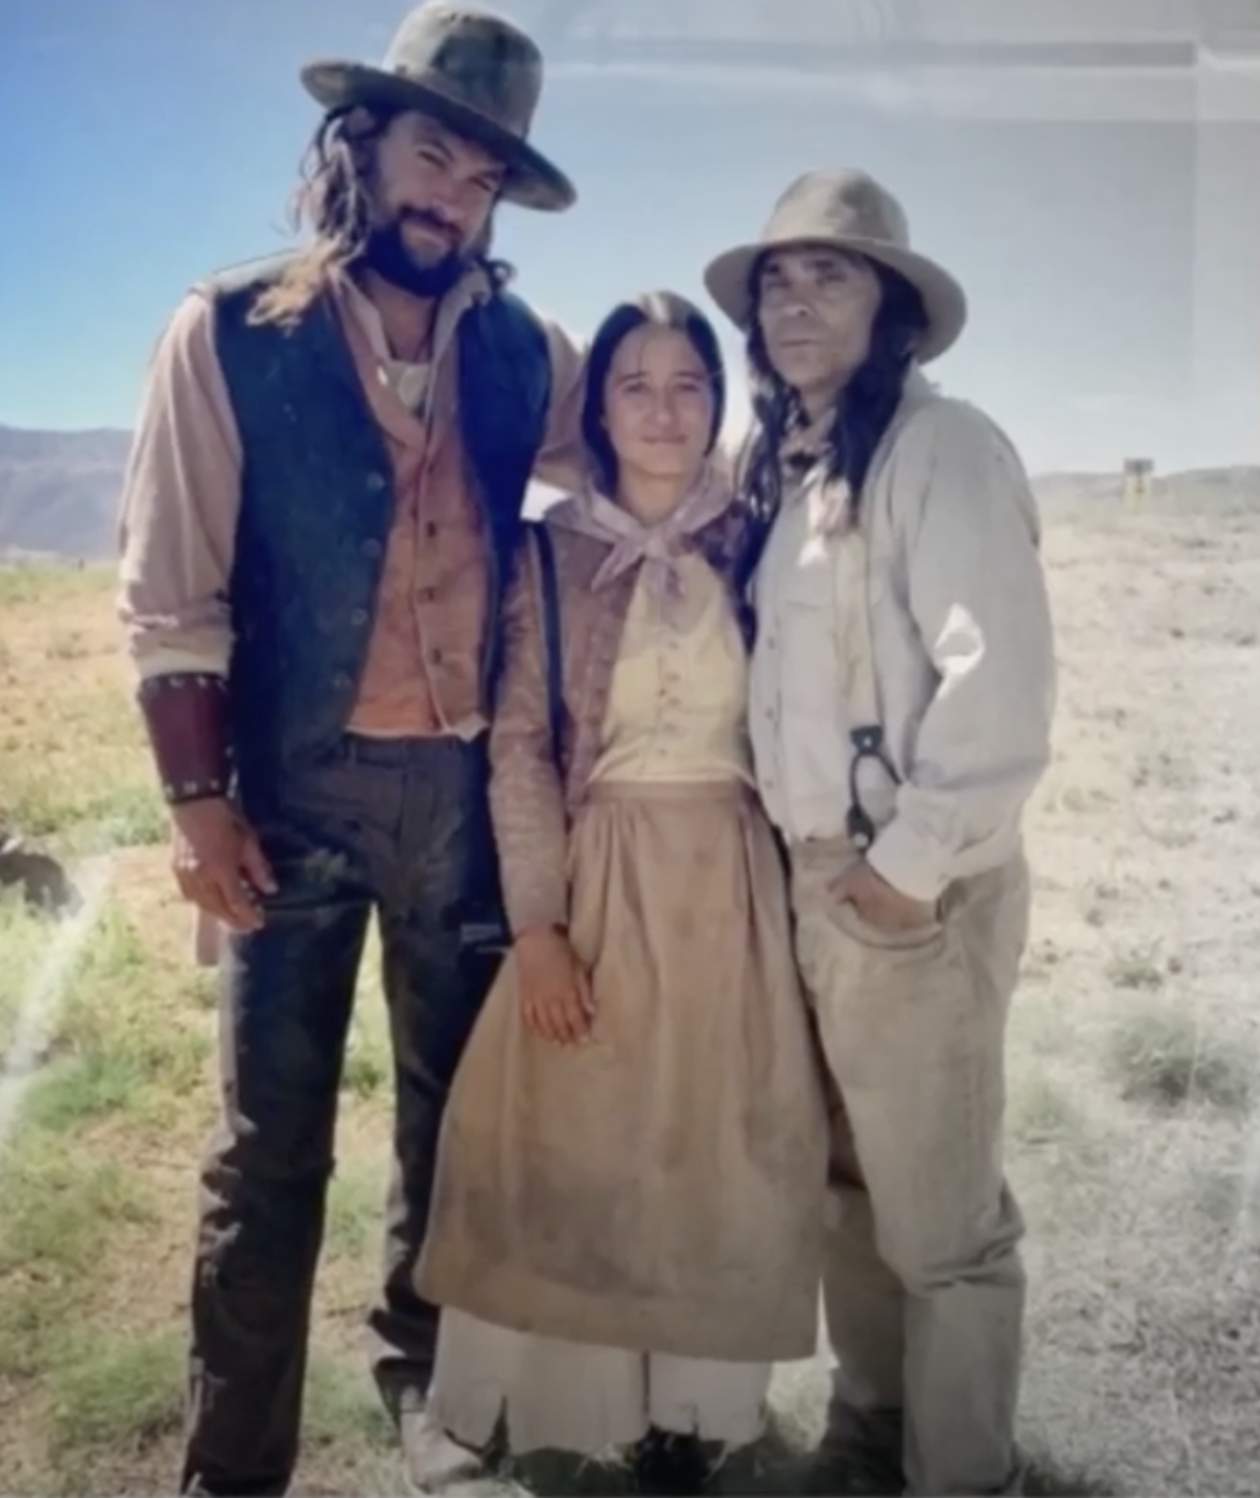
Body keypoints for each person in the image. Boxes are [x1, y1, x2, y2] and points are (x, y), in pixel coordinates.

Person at [115, 5, 587, 1493]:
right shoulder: (228, 331)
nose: (453, 197)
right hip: (289, 796)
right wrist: (196, 802)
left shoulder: (527, 353)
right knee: (267, 1149)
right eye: (433, 155)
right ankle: (232, 1462)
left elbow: (642, 460)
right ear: (362, 144)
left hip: (463, 800)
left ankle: (427, 1385)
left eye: (484, 178)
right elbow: (169, 589)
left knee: (458, 1124)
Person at [409, 291, 830, 1492]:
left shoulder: (759, 540)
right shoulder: (550, 552)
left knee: (712, 1140)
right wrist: (539, 927)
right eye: (633, 384)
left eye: (688, 384)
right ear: (594, 407)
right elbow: (519, 751)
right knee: (578, 1135)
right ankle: (574, 1405)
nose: (662, 410)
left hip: (731, 880)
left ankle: (693, 1410)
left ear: (718, 401)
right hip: (599, 876)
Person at [702, 169, 1057, 1497]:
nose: (795, 301)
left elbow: (998, 680)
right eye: (777, 281)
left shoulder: (938, 448)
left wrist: (905, 874)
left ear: (890, 306)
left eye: (830, 274)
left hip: (911, 889)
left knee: (944, 1222)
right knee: (849, 1185)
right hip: (819, 883)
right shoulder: (798, 466)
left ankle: (959, 1472)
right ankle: (869, 1433)